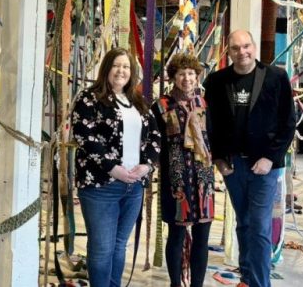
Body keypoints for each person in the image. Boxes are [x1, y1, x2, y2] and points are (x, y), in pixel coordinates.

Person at [203, 30, 295, 287]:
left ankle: (259, 283)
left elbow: (287, 123)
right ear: (228, 52)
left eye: (246, 46)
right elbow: (211, 125)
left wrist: (270, 157)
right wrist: (219, 159)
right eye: (235, 48)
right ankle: (247, 277)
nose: (242, 52)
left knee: (259, 226)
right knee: (243, 223)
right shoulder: (217, 82)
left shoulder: (276, 77)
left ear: (253, 47)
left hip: (264, 166)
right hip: (234, 166)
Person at [72, 48, 161, 287]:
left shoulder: (138, 102)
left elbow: (154, 136)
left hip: (133, 187)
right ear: (107, 69)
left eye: (126, 67)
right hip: (101, 185)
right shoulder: (89, 99)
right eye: (116, 65)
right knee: (102, 248)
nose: (121, 71)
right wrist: (113, 168)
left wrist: (147, 166)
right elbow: (85, 137)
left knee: (120, 245)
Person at [151, 53, 214, 287]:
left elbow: (215, 137)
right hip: (175, 179)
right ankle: (175, 284)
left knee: (202, 236)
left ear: (197, 76)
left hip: (204, 178)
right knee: (176, 235)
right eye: (181, 74)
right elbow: (153, 141)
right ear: (173, 77)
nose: (186, 78)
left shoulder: (207, 104)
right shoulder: (161, 106)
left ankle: (197, 284)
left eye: (191, 73)